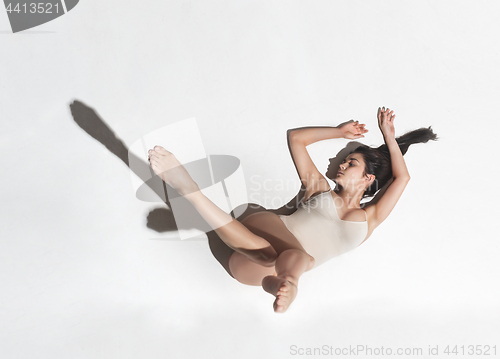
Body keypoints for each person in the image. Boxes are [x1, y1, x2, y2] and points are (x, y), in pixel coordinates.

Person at [147, 107, 437, 313]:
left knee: (282, 257)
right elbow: (296, 138)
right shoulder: (319, 190)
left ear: (368, 179)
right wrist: (338, 131)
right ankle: (191, 192)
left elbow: (403, 178)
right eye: (345, 159)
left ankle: (281, 284)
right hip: (251, 225)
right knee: (298, 256)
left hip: (248, 264)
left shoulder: (370, 218)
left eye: (352, 163)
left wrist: (389, 137)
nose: (342, 164)